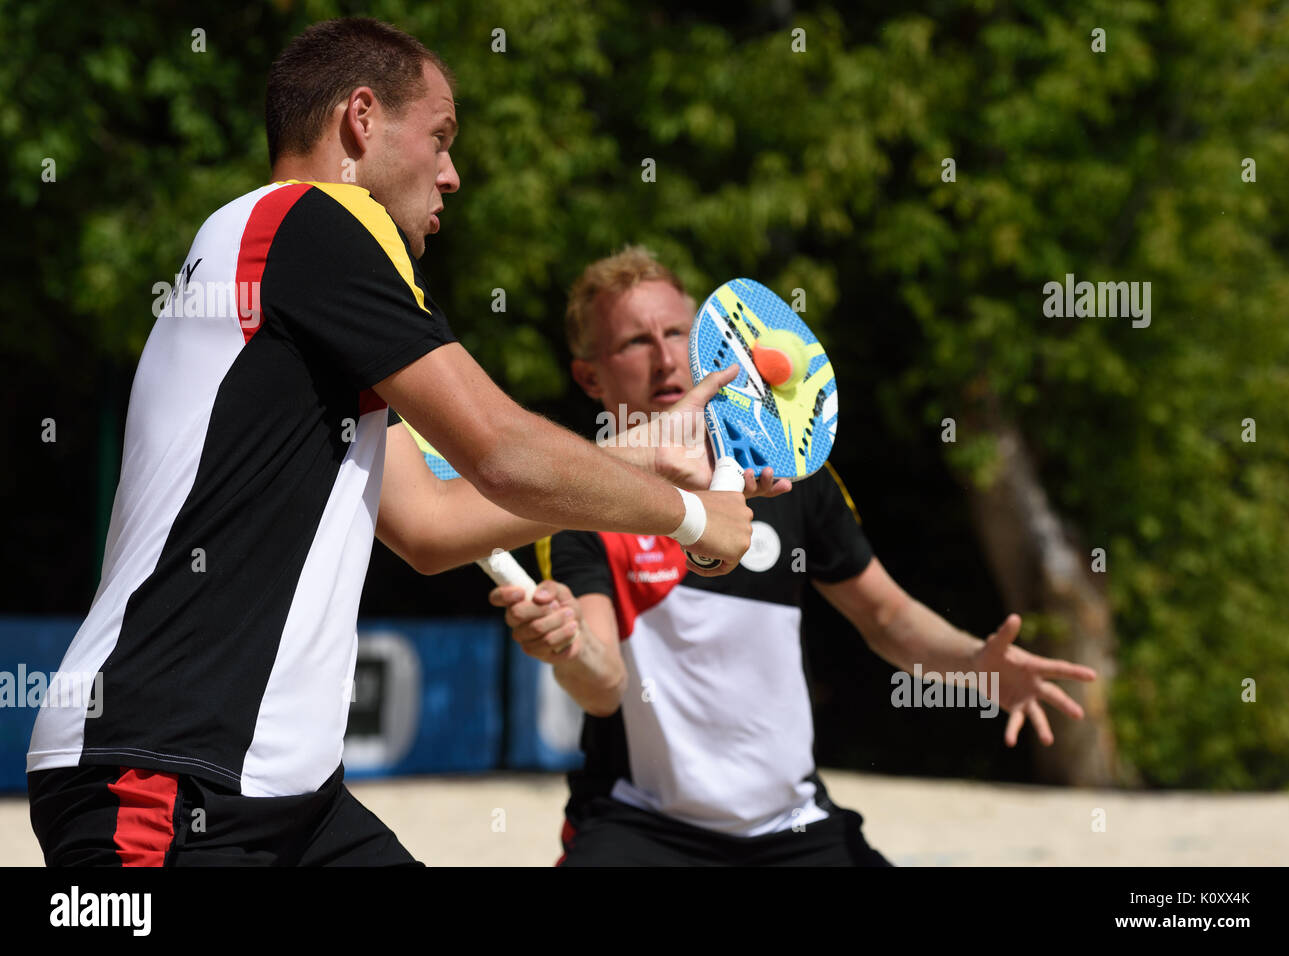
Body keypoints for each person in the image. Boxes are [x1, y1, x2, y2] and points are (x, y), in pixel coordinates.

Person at [25, 18, 760, 867]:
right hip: (160, 771)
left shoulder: (283, 265)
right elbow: (497, 448)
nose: (453, 174)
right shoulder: (317, 218)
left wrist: (645, 454)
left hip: (288, 795)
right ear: (360, 120)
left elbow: (432, 524)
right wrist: (692, 518)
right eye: (440, 138)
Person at [491, 246, 1100, 866]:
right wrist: (566, 644)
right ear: (591, 377)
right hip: (643, 825)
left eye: (676, 331)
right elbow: (602, 687)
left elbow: (886, 617)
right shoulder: (579, 505)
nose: (666, 355)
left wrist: (976, 663)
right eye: (633, 343)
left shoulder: (787, 474)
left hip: (793, 828)